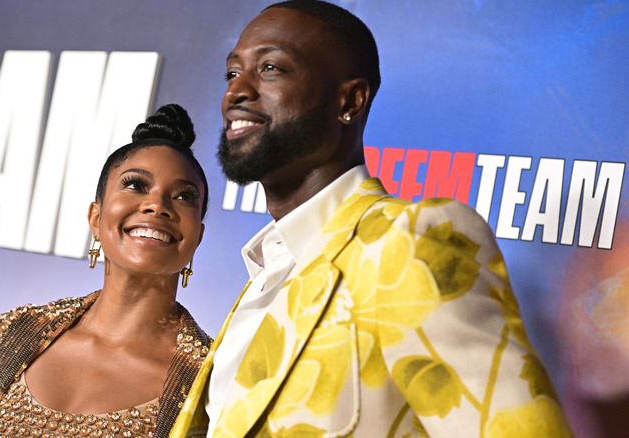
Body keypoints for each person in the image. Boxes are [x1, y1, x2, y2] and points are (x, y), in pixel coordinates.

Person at [171, 1, 574, 437]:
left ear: (350, 100)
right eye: (233, 73)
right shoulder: (266, 275)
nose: (236, 92)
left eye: (270, 68)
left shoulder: (410, 239)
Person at [0, 104, 212, 438]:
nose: (157, 205)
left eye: (183, 197)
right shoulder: (13, 331)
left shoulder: (208, 380)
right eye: (136, 185)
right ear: (95, 218)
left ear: (198, 237)